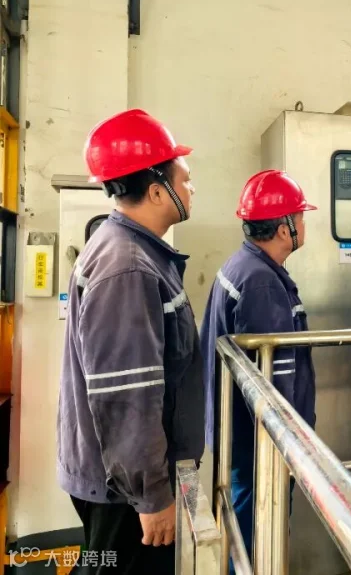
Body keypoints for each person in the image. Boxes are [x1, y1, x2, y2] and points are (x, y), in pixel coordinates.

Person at [57, 109, 201, 575]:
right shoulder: (128, 267)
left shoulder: (130, 250)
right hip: (125, 489)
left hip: (124, 478)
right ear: (157, 191)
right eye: (185, 179)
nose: (191, 189)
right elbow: (127, 396)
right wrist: (150, 495)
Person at [200, 170, 317, 567]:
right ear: (284, 229)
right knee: (256, 546)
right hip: (260, 450)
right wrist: (288, 449)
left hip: (239, 438)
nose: (304, 224)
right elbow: (274, 382)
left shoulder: (244, 266)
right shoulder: (261, 282)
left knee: (244, 539)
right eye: (300, 217)